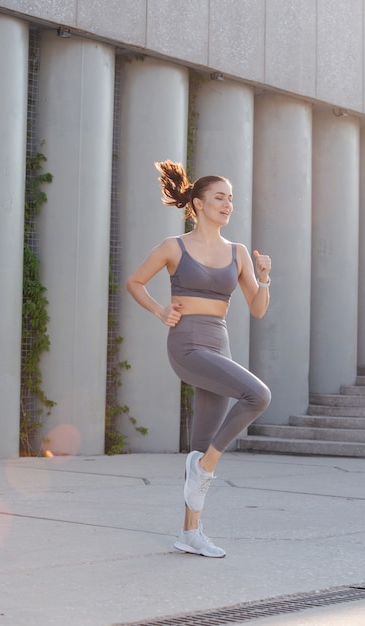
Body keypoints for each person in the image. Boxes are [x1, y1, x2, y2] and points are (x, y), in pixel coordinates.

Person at [126, 160, 272, 558]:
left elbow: (257, 308)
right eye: (220, 197)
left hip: (218, 341)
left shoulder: (238, 252)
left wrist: (264, 277)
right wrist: (160, 311)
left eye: (231, 199)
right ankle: (207, 466)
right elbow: (134, 281)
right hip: (187, 343)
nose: (228, 204)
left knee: (202, 439)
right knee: (258, 396)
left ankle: (190, 532)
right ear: (199, 203)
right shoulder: (174, 246)